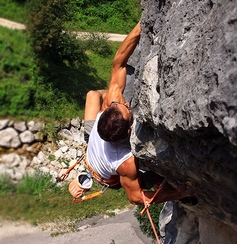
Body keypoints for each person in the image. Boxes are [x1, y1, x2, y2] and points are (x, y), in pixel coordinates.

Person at [69, 22, 193, 205]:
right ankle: (168, 188)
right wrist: (177, 195)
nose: (126, 103)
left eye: (122, 105)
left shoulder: (113, 102)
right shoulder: (125, 162)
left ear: (106, 111)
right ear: (129, 132)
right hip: (109, 175)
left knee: (93, 95)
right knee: (152, 177)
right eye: (127, 109)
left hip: (93, 149)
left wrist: (140, 27)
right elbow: (135, 197)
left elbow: (118, 61)